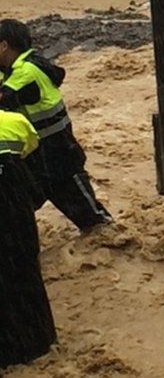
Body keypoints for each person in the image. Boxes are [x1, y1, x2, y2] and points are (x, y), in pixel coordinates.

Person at [0, 19, 112, 232]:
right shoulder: (13, 69)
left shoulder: (27, 71)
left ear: (4, 45)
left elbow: (5, 98)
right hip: (34, 157)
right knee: (13, 212)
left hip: (57, 155)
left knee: (95, 222)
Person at [0, 110, 57, 369]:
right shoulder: (15, 122)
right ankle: (39, 344)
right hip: (13, 208)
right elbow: (33, 155)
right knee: (25, 272)